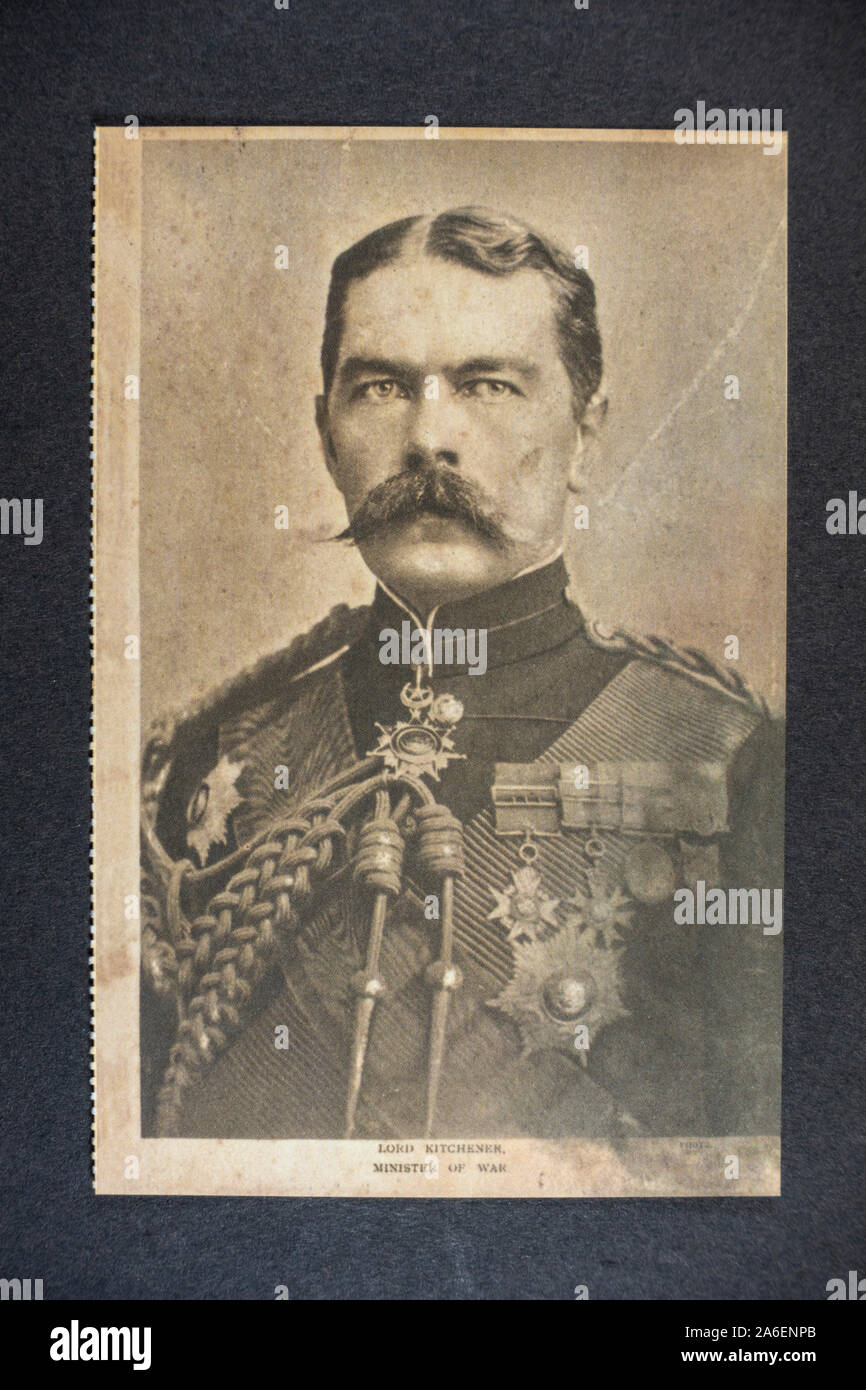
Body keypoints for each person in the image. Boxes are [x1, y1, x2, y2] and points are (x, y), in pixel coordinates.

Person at [140, 207, 783, 1141]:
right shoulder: (206, 764)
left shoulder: (738, 766)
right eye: (379, 389)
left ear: (588, 433)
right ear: (325, 434)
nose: (429, 437)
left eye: (489, 386)